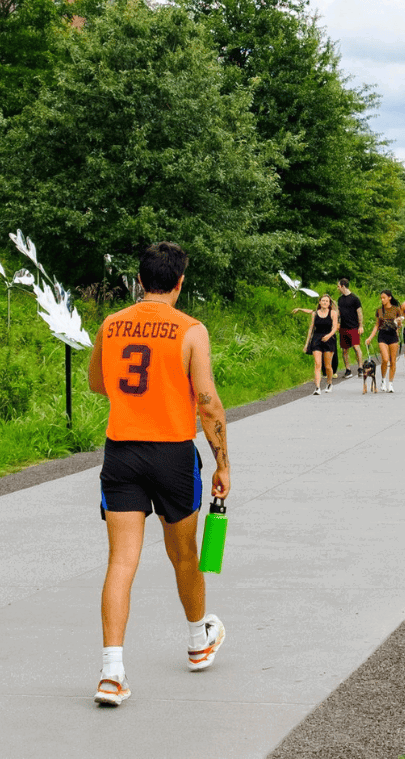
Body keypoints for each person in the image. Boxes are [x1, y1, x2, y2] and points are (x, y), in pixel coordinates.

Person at [88, 241, 230, 707]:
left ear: (140, 279)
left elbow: (97, 383)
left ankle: (111, 674)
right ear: (180, 282)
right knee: (184, 555)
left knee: (121, 562)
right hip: (171, 454)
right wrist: (222, 463)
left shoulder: (111, 324)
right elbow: (207, 403)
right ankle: (197, 641)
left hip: (122, 452)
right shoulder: (191, 330)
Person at [300, 294, 339, 395]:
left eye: (327, 301)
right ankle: (317, 387)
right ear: (319, 302)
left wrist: (329, 335)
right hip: (316, 339)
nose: (325, 303)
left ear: (329, 303)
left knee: (327, 366)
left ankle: (329, 383)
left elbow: (335, 328)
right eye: (323, 301)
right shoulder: (315, 314)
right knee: (317, 364)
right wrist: (306, 344)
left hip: (329, 339)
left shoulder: (333, 313)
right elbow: (311, 329)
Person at [365, 290, 403, 392]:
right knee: (385, 359)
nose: (382, 300)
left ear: (389, 298)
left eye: (384, 298)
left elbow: (399, 325)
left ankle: (390, 383)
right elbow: (377, 325)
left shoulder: (396, 309)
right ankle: (383, 380)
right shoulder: (379, 310)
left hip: (393, 335)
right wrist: (370, 337)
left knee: (393, 360)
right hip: (382, 335)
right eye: (381, 298)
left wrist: (399, 323)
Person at [337, 278, 364, 379]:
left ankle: (360, 368)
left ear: (343, 286)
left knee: (356, 348)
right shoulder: (340, 299)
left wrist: (361, 326)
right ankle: (348, 370)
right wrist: (337, 323)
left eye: (338, 286)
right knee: (344, 350)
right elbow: (339, 313)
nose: (338, 288)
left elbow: (359, 313)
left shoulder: (354, 298)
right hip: (343, 328)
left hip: (353, 327)